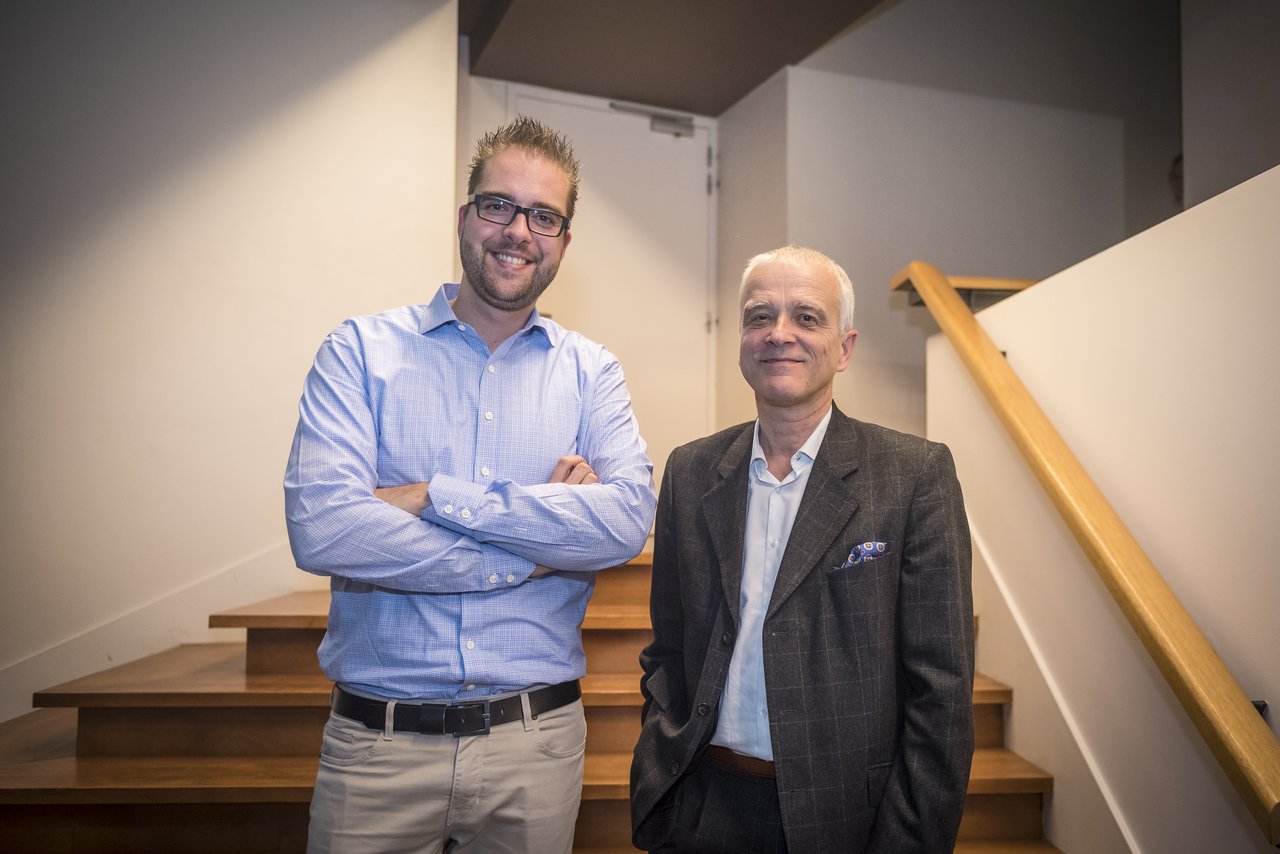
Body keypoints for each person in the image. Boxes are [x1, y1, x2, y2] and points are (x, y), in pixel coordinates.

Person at [285, 116, 656, 854]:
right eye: (499, 205)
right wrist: (541, 544)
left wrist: (431, 498)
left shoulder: (592, 372)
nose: (518, 230)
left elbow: (624, 522)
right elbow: (323, 529)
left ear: (564, 241)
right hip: (377, 750)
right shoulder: (360, 351)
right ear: (464, 216)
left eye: (543, 215)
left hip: (535, 749)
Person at [630, 245, 974, 853]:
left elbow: (940, 690)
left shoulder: (913, 474)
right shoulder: (692, 470)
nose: (779, 334)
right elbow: (669, 649)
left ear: (844, 348)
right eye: (760, 317)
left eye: (807, 317)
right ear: (741, 339)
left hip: (848, 818)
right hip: (703, 804)